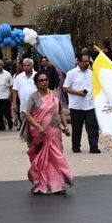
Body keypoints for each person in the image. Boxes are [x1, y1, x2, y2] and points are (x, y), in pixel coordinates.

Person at [23, 67, 73, 197]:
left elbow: (60, 111)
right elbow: (27, 114)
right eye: (41, 80)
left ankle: (58, 184)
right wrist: (38, 127)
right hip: (39, 134)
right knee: (40, 159)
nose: (44, 82)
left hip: (54, 131)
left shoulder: (55, 95)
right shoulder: (33, 97)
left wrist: (66, 126)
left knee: (56, 157)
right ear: (36, 83)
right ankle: (41, 184)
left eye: (46, 80)